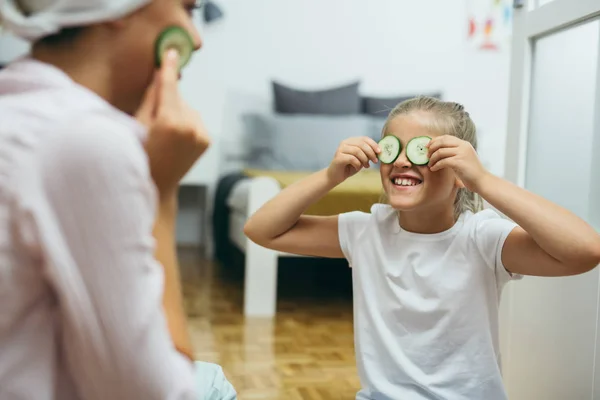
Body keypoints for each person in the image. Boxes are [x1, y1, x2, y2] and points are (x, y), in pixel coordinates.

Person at [243, 96, 600, 400]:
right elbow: (261, 230)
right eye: (392, 148)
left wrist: (484, 180)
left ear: (459, 171)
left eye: (422, 150)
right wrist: (329, 176)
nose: (401, 160)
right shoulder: (366, 231)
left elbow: (585, 251)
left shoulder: (482, 238)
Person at [0, 0, 236, 399]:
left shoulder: (18, 103)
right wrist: (160, 195)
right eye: (187, 9)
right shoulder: (85, 140)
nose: (196, 39)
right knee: (213, 386)